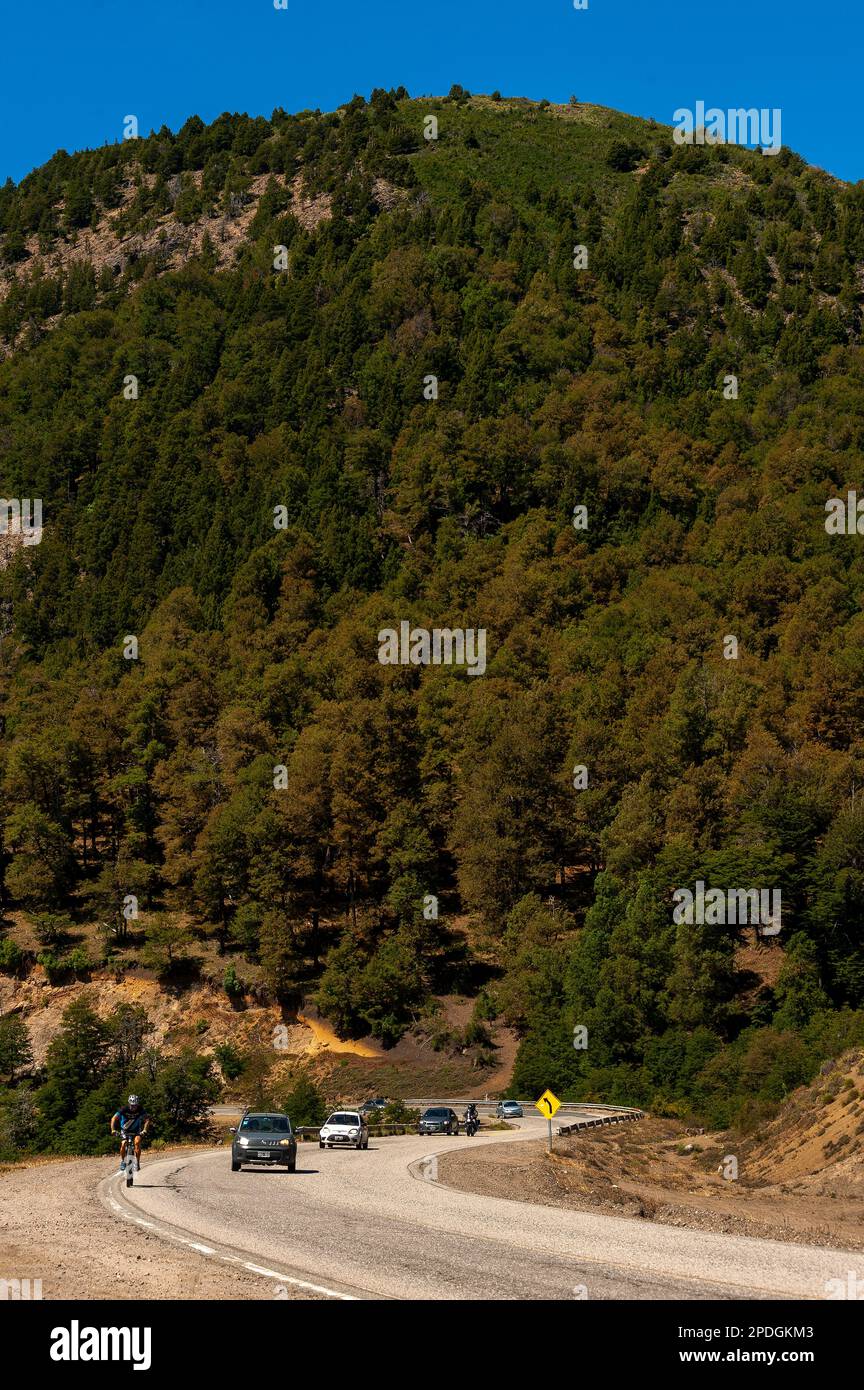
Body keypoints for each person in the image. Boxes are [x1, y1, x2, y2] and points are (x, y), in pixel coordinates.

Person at [111, 1094, 152, 1172]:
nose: (133, 1107)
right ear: (129, 1104)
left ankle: (137, 1162)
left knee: (137, 1142)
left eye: (135, 1105)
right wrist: (113, 1130)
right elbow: (113, 1118)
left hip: (136, 1130)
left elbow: (147, 1119)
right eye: (132, 1105)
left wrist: (145, 1130)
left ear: (137, 1104)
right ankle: (123, 1161)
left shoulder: (140, 1109)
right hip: (125, 1130)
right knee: (123, 1144)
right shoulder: (124, 1109)